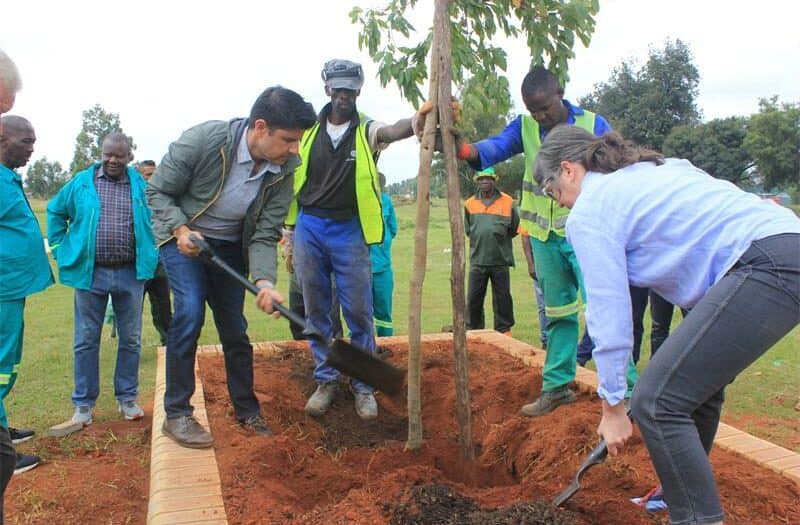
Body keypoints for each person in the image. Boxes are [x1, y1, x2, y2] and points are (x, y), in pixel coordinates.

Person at [533, 125, 800, 525]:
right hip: (783, 245)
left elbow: (609, 311)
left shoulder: (592, 208)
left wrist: (612, 406)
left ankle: (696, 517)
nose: (560, 203)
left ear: (569, 170)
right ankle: (676, 495)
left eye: (552, 191)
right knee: (694, 392)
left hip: (765, 262)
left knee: (656, 401)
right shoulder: (655, 169)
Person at [456, 66, 640, 417]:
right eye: (533, 111)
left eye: (545, 108)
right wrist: (461, 149)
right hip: (544, 236)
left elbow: (618, 168)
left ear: (560, 94)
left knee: (604, 310)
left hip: (588, 233)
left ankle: (628, 392)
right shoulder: (524, 128)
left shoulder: (592, 125)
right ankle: (557, 387)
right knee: (556, 314)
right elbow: (492, 148)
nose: (540, 117)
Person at [147, 86, 316, 448]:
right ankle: (177, 414)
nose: (294, 149)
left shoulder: (285, 168)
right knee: (189, 312)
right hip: (186, 241)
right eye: (288, 140)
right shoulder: (203, 142)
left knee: (235, 329)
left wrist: (266, 281)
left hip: (230, 248)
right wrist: (180, 229)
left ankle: (246, 409)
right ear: (260, 127)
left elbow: (266, 231)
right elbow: (157, 192)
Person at [285, 59, 425, 420]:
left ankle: (363, 386)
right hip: (310, 227)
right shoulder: (307, 132)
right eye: (339, 89)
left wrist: (415, 124)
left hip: (349, 230)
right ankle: (326, 379)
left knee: (359, 311)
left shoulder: (365, 131)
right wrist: (288, 233)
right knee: (316, 309)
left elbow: (391, 130)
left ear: (358, 91)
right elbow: (289, 180)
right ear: (328, 89)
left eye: (351, 89)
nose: (344, 95)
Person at [47, 132, 158, 436]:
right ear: (101, 153)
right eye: (107, 154)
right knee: (85, 339)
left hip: (130, 274)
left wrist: (153, 249)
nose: (112, 160)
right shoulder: (82, 183)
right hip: (90, 274)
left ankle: (127, 398)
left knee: (131, 339)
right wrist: (59, 249)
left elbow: (157, 219)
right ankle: (83, 405)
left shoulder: (140, 186)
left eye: (118, 156)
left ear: (128, 157)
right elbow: (56, 211)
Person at [1, 115, 54, 478]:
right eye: (26, 141)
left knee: (7, 362)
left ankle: (2, 428)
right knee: (1, 364)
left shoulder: (9, 178)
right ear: (2, 139)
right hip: (2, 287)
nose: (32, 149)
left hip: (12, 287)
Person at [464, 166, 519, 335]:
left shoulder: (508, 202)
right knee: (474, 299)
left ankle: (504, 331)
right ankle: (474, 331)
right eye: (481, 179)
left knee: (502, 298)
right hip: (478, 260)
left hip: (500, 260)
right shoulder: (469, 203)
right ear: (477, 182)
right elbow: (469, 230)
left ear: (494, 180)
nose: (485, 181)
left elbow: (514, 228)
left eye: (488, 178)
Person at [136, 160, 172, 345]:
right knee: (133, 308)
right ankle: (131, 344)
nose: (153, 178)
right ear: (139, 176)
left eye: (155, 174)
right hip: (138, 263)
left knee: (163, 305)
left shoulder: (162, 199)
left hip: (160, 261)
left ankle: (168, 341)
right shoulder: (133, 199)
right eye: (148, 174)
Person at [370, 173, 398, 337]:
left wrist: (383, 243)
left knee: (384, 310)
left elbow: (392, 229)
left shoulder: (386, 201)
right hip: (359, 268)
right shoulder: (357, 202)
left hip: (382, 267)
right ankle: (359, 348)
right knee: (359, 311)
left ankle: (386, 342)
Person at [520, 231, 548, 348]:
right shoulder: (530, 213)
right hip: (539, 264)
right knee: (543, 306)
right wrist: (531, 264)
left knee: (561, 305)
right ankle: (546, 341)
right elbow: (525, 236)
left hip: (557, 262)